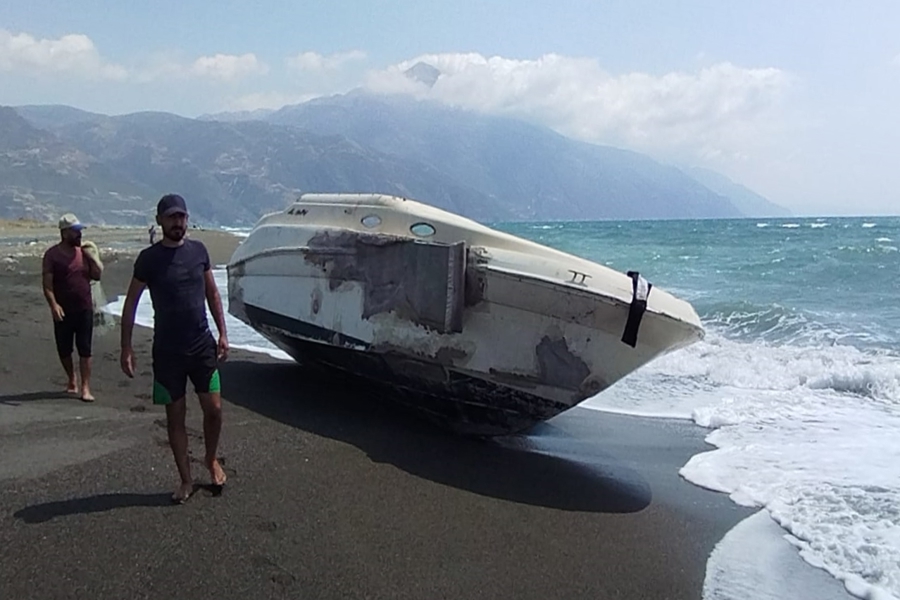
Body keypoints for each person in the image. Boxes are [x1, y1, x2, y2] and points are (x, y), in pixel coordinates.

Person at [119, 194, 229, 503]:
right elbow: (131, 303)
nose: (177, 222)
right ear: (160, 221)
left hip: (202, 345)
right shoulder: (148, 259)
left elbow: (212, 293)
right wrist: (126, 347)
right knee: (175, 417)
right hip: (168, 352)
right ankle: (185, 479)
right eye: (171, 217)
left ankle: (210, 459)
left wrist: (223, 333)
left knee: (214, 410)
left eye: (181, 216)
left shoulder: (199, 251)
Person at [42, 213, 102, 402]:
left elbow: (97, 276)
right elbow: (47, 285)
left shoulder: (84, 252)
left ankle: (85, 387)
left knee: (85, 349)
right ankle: (71, 378)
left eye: (80, 230)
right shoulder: (52, 255)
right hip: (63, 310)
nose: (79, 234)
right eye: (76, 231)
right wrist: (54, 305)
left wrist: (93, 259)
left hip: (84, 307)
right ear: (64, 233)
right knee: (64, 349)